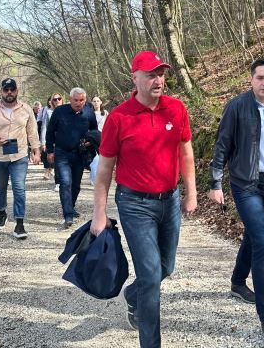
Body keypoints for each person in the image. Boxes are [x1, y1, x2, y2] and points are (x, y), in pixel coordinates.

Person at [91, 50, 197, 348]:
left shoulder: (176, 109)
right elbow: (105, 169)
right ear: (135, 78)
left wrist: (191, 192)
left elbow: (186, 152)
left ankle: (133, 294)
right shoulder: (119, 117)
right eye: (151, 75)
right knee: (150, 275)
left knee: (166, 267)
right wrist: (99, 213)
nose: (158, 80)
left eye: (161, 74)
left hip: (170, 200)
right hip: (134, 204)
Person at [208, 58, 264, 345]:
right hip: (245, 184)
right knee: (262, 241)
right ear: (251, 79)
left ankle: (237, 282)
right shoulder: (237, 107)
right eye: (260, 78)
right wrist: (215, 183)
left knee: (253, 235)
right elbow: (222, 146)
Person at [0, 78, 41, 239]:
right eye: (6, 90)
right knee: (0, 188)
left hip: (19, 156)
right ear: (1, 91)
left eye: (12, 89)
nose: (9, 92)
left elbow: (32, 132)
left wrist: (36, 151)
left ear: (17, 91)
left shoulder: (26, 109)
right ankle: (2, 213)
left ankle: (19, 224)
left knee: (19, 188)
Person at [46, 87, 97, 228]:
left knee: (76, 185)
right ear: (70, 100)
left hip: (80, 153)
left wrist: (90, 142)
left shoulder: (89, 112)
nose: (78, 103)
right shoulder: (59, 111)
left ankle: (71, 206)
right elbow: (50, 132)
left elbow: (94, 131)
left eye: (81, 100)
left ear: (85, 100)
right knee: (65, 182)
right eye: (76, 100)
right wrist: (50, 151)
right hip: (62, 153)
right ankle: (68, 215)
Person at [41, 93, 63, 187]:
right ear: (52, 101)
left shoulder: (68, 110)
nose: (57, 100)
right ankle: (58, 182)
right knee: (57, 162)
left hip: (67, 141)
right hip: (54, 142)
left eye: (59, 98)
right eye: (55, 99)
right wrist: (43, 142)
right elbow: (44, 127)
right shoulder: (48, 112)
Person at [88, 96, 108, 185]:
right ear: (92, 103)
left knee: (102, 159)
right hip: (92, 139)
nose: (96, 102)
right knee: (95, 159)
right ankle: (94, 179)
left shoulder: (105, 113)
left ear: (101, 102)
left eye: (97, 101)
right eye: (94, 101)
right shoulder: (89, 113)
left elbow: (109, 126)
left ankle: (98, 178)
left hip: (103, 138)